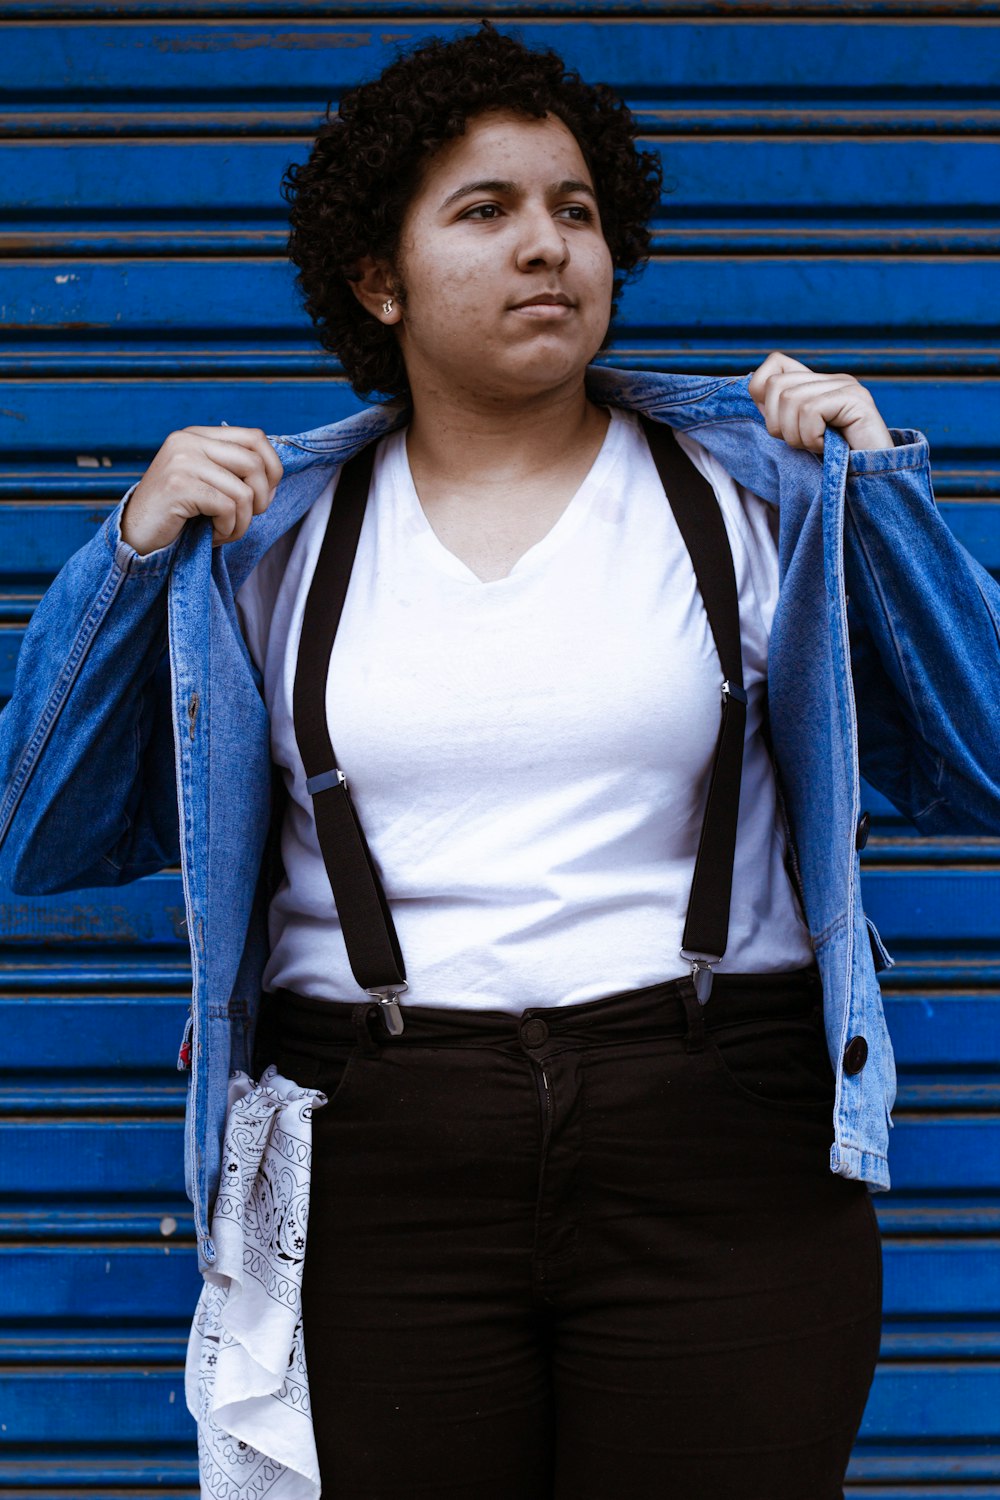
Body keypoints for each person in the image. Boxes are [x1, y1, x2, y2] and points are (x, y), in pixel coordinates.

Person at [1, 22, 998, 1500]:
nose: (547, 246)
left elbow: (977, 763)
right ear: (378, 279)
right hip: (375, 1148)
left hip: (722, 1128)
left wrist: (883, 492)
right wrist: (130, 553)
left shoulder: (749, 499)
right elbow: (41, 836)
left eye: (575, 210)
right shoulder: (263, 546)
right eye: (486, 211)